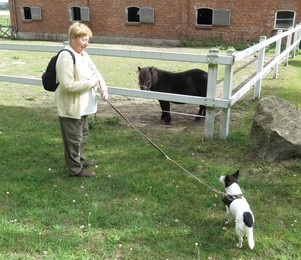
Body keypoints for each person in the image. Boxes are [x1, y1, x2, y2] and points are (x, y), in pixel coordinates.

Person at [55, 22, 108, 177]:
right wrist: (91, 84)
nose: (86, 44)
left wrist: (103, 88)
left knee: (82, 135)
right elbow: (67, 85)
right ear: (72, 38)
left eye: (88, 40)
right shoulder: (66, 56)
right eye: (83, 40)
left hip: (84, 106)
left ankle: (80, 159)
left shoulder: (83, 55)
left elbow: (96, 73)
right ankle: (75, 169)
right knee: (73, 139)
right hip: (71, 107)